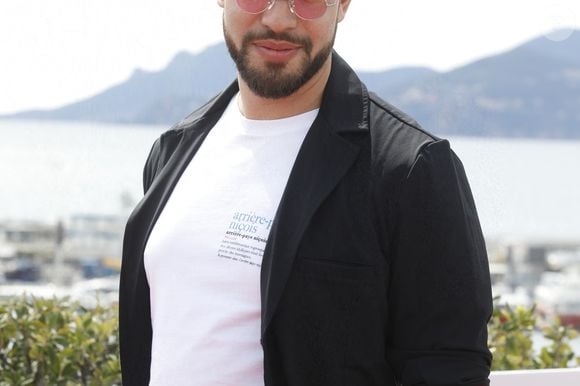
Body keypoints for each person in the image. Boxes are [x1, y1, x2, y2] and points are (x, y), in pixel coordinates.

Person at [119, 0, 493, 385]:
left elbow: (448, 366)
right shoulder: (173, 149)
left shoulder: (410, 168)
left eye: (308, 0)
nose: (279, 19)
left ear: (343, 5)